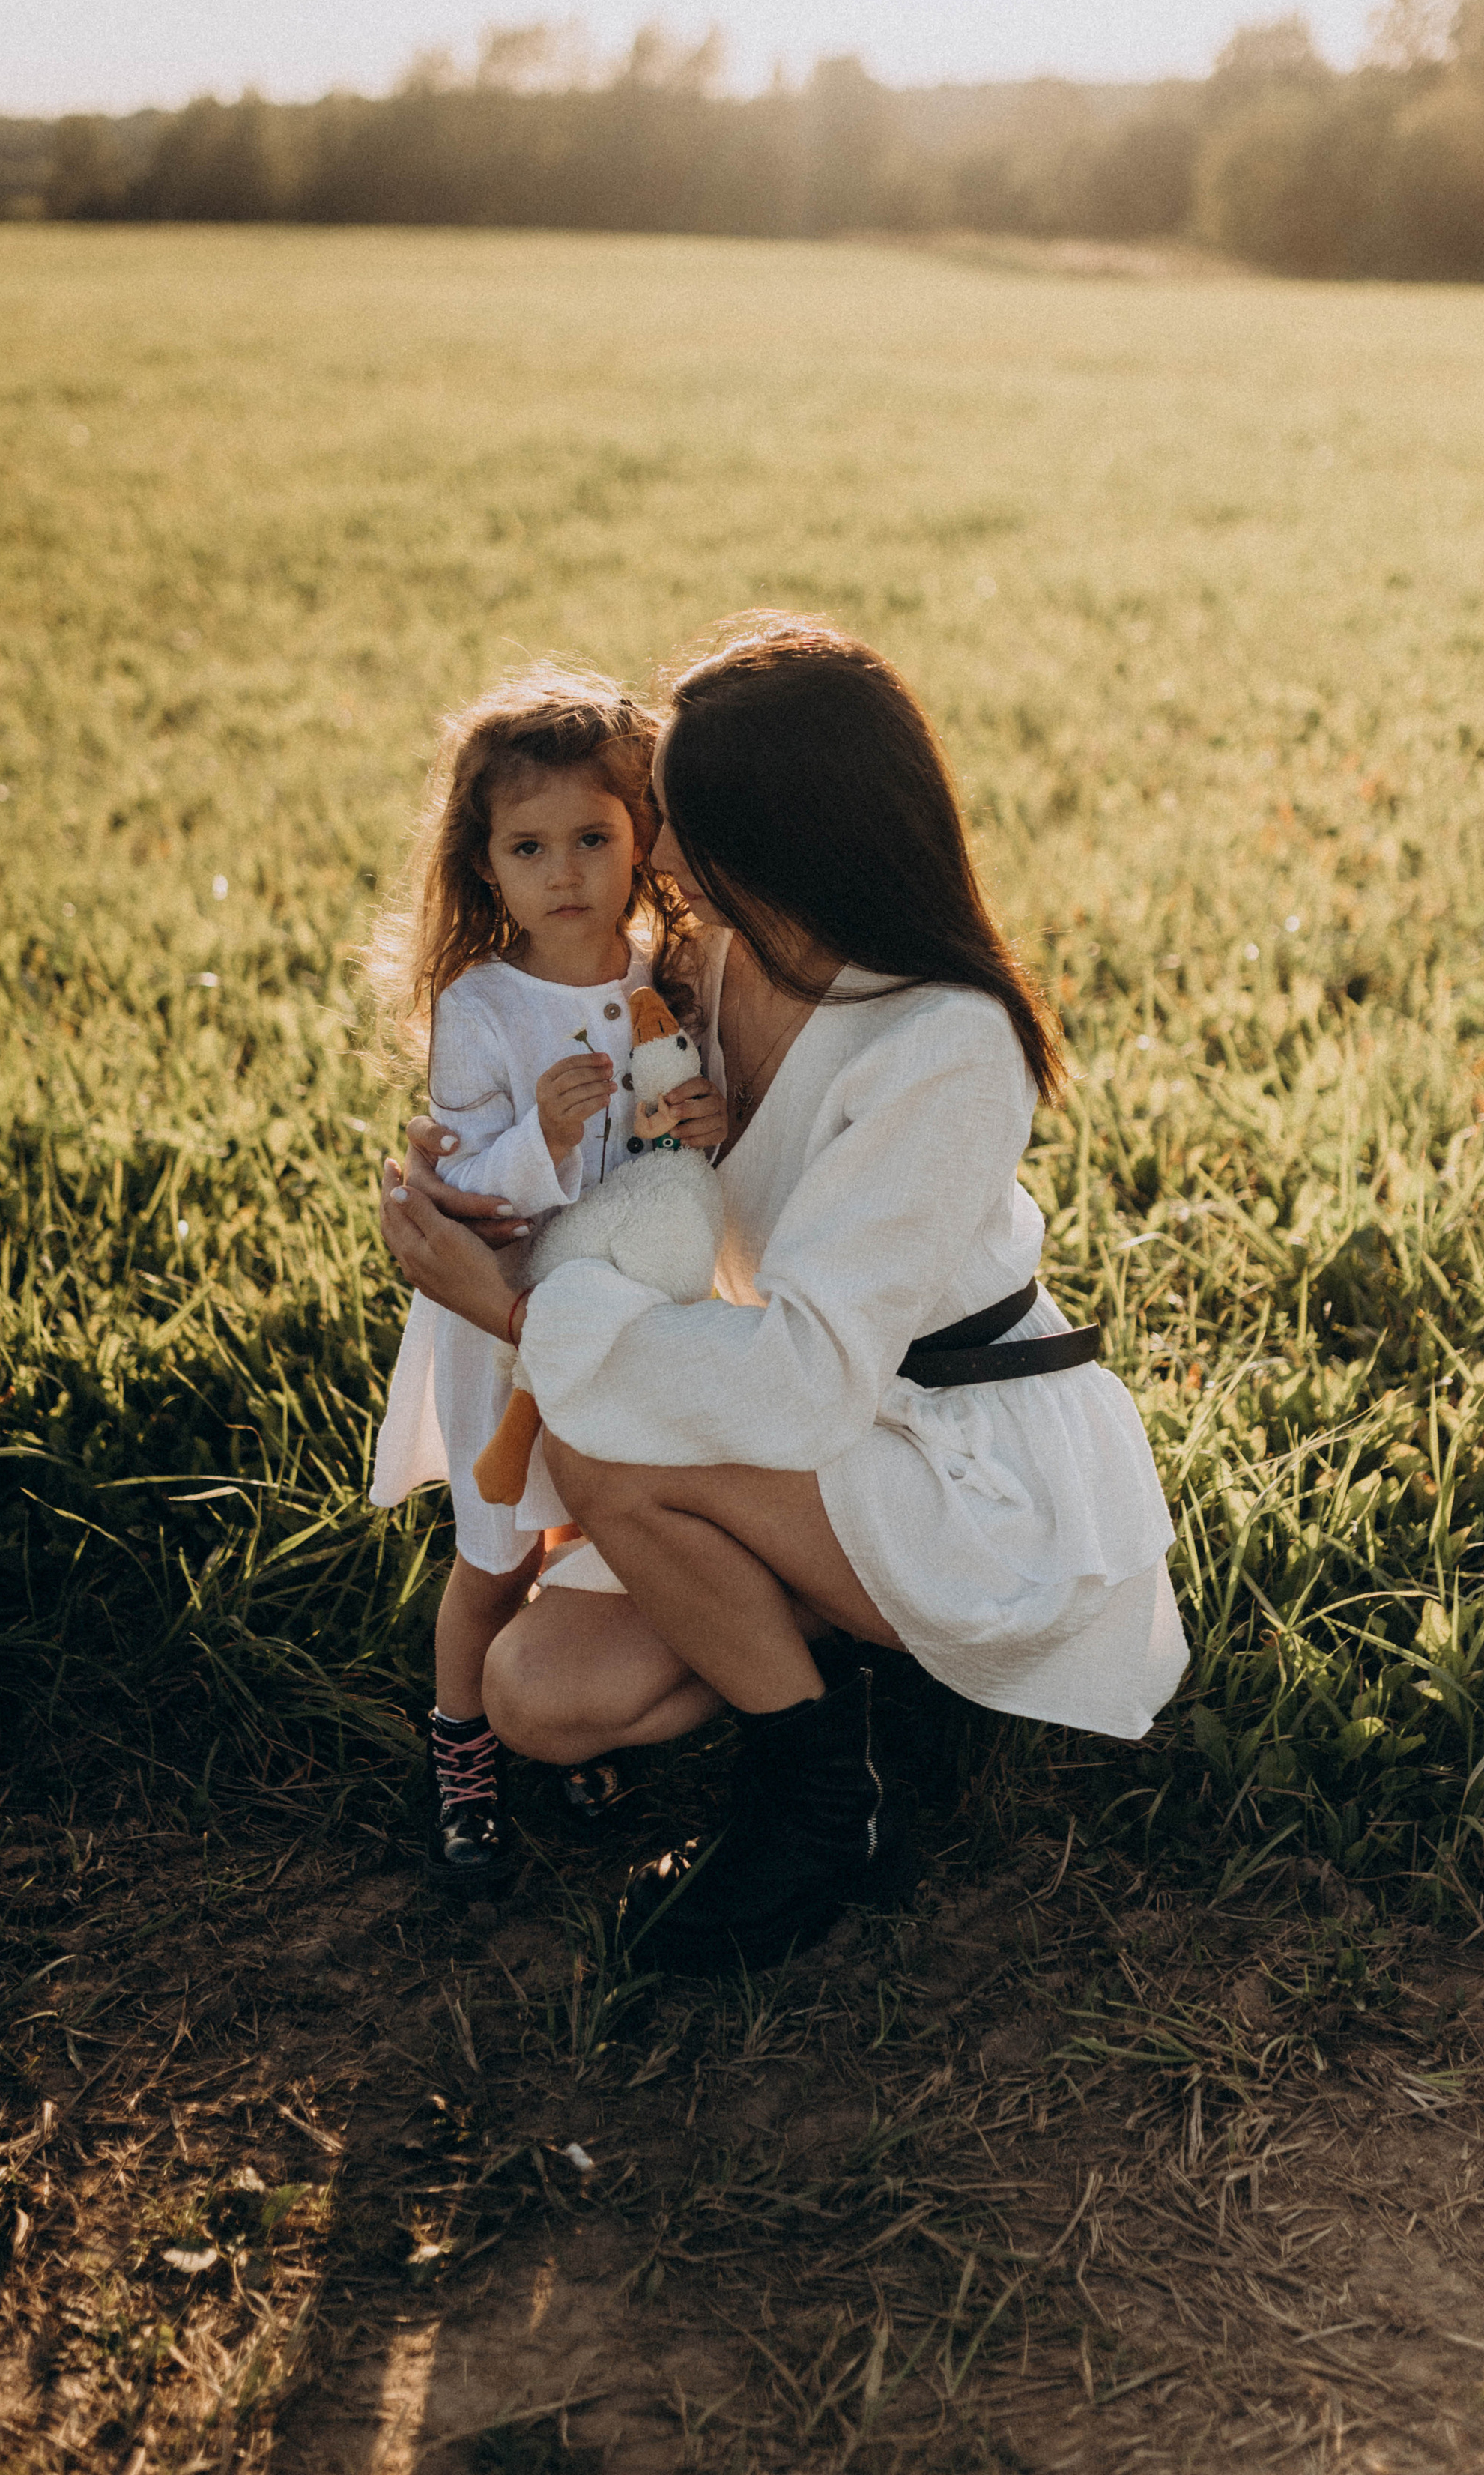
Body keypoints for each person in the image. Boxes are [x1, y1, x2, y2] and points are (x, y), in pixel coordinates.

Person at [379, 619, 1187, 1971]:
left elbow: (814, 1373)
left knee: (602, 1439)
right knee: (534, 1695)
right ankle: (836, 1644)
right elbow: (624, 1178)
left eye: (675, 821)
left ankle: (818, 1805)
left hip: (954, 1457)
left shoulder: (944, 1039)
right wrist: (477, 1189)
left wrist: (516, 1316)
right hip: (793, 1422)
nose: (656, 852)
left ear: (783, 832)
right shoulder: (711, 969)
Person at [366, 668, 726, 1891]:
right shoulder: (484, 1005)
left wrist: (693, 1127)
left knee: (586, 1521)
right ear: (488, 867)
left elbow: (670, 1165)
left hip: (617, 1319)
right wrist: (546, 1136)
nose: (564, 870)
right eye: (530, 846)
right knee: (496, 1549)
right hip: (501, 1323)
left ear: (639, 844)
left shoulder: (656, 979)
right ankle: (463, 1747)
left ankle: (564, 1712)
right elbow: (465, 1186)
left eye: (592, 837)